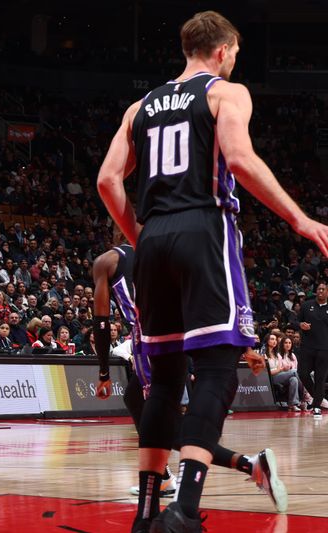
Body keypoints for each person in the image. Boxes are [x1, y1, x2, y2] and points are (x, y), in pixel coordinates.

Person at [96, 11, 328, 530]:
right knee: (220, 369)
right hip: (205, 228)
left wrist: (142, 237)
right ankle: (184, 509)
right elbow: (240, 160)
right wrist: (300, 218)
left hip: (152, 237)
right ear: (222, 52)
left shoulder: (140, 107)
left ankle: (145, 515)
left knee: (165, 382)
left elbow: (108, 180)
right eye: (235, 55)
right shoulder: (226, 93)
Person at [92, 243, 287, 520]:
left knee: (163, 424)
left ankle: (251, 465)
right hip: (185, 335)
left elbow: (101, 323)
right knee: (136, 401)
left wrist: (102, 373)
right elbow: (208, 296)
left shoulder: (106, 261)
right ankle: (165, 477)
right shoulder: (170, 249)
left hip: (150, 339)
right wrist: (244, 346)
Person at [295, 281, 328, 418]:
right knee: (302, 373)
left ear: (327, 292)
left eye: (323, 289)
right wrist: (300, 325)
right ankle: (318, 398)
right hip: (307, 347)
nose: (320, 291)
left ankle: (316, 407)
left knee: (320, 378)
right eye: (318, 289)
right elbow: (294, 321)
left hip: (324, 349)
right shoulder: (307, 305)